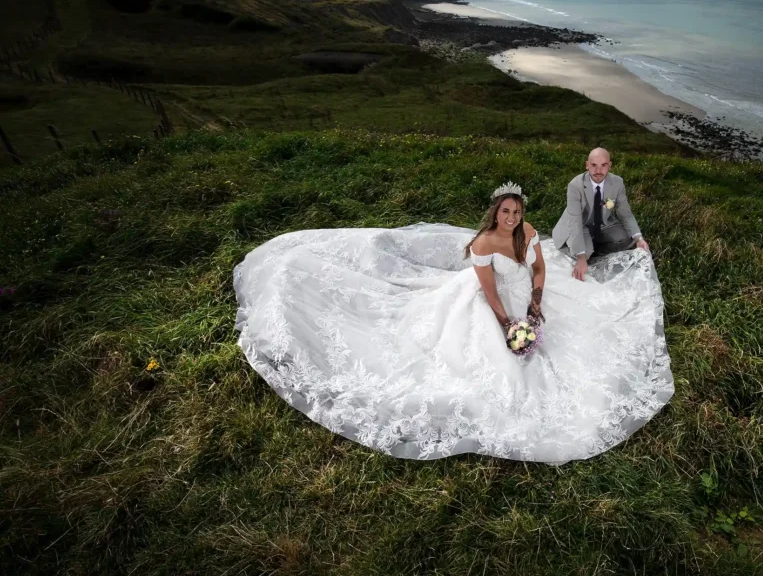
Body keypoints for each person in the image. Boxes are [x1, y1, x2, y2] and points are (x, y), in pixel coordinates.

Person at [233, 182, 673, 464]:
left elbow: (539, 268)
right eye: (506, 213)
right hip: (492, 303)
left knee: (590, 332)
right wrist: (507, 325)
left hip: (528, 296)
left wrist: (537, 302)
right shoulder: (483, 243)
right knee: (484, 365)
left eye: (517, 213)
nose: (513, 219)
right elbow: (488, 290)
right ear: (495, 213)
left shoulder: (529, 231)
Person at [551, 147, 651, 281]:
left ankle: (595, 251)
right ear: (587, 165)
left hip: (603, 223)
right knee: (584, 253)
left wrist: (639, 239)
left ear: (609, 165)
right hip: (580, 224)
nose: (598, 171)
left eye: (603, 165)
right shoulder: (575, 185)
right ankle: (583, 251)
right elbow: (574, 222)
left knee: (626, 238)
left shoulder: (617, 182)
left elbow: (625, 214)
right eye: (594, 165)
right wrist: (581, 257)